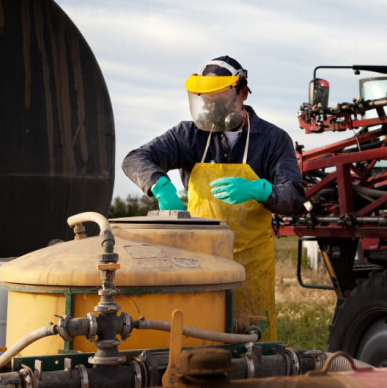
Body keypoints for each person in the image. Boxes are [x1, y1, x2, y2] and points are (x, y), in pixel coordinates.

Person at [122, 56, 304, 341]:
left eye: (220, 98)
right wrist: (160, 186)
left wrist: (261, 190)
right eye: (206, 99)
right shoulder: (189, 135)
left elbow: (293, 198)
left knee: (253, 350)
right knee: (198, 346)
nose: (211, 106)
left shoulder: (272, 140)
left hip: (250, 267)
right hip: (199, 264)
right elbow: (135, 159)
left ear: (242, 94)